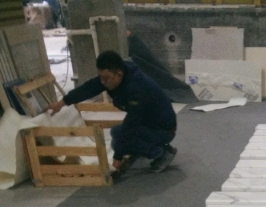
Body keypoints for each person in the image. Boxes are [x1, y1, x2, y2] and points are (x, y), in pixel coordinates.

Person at [46, 50, 177, 177]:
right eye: (101, 78)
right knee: (118, 136)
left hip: (164, 129)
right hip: (151, 123)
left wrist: (116, 159)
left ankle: (161, 154)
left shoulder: (137, 88)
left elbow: (131, 124)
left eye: (106, 79)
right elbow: (88, 88)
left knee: (118, 136)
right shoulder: (116, 74)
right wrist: (62, 103)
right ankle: (159, 147)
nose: (103, 82)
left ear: (119, 74)